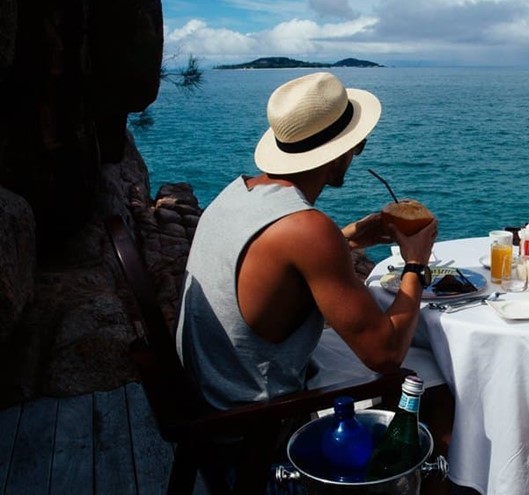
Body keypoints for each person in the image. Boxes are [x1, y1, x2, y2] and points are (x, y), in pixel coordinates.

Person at [175, 72, 438, 410]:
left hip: (213, 387)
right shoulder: (308, 229)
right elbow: (386, 355)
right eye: (357, 144)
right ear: (337, 155)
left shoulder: (239, 191)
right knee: (437, 381)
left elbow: (273, 269)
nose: (357, 153)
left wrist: (346, 239)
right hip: (255, 415)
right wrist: (415, 264)